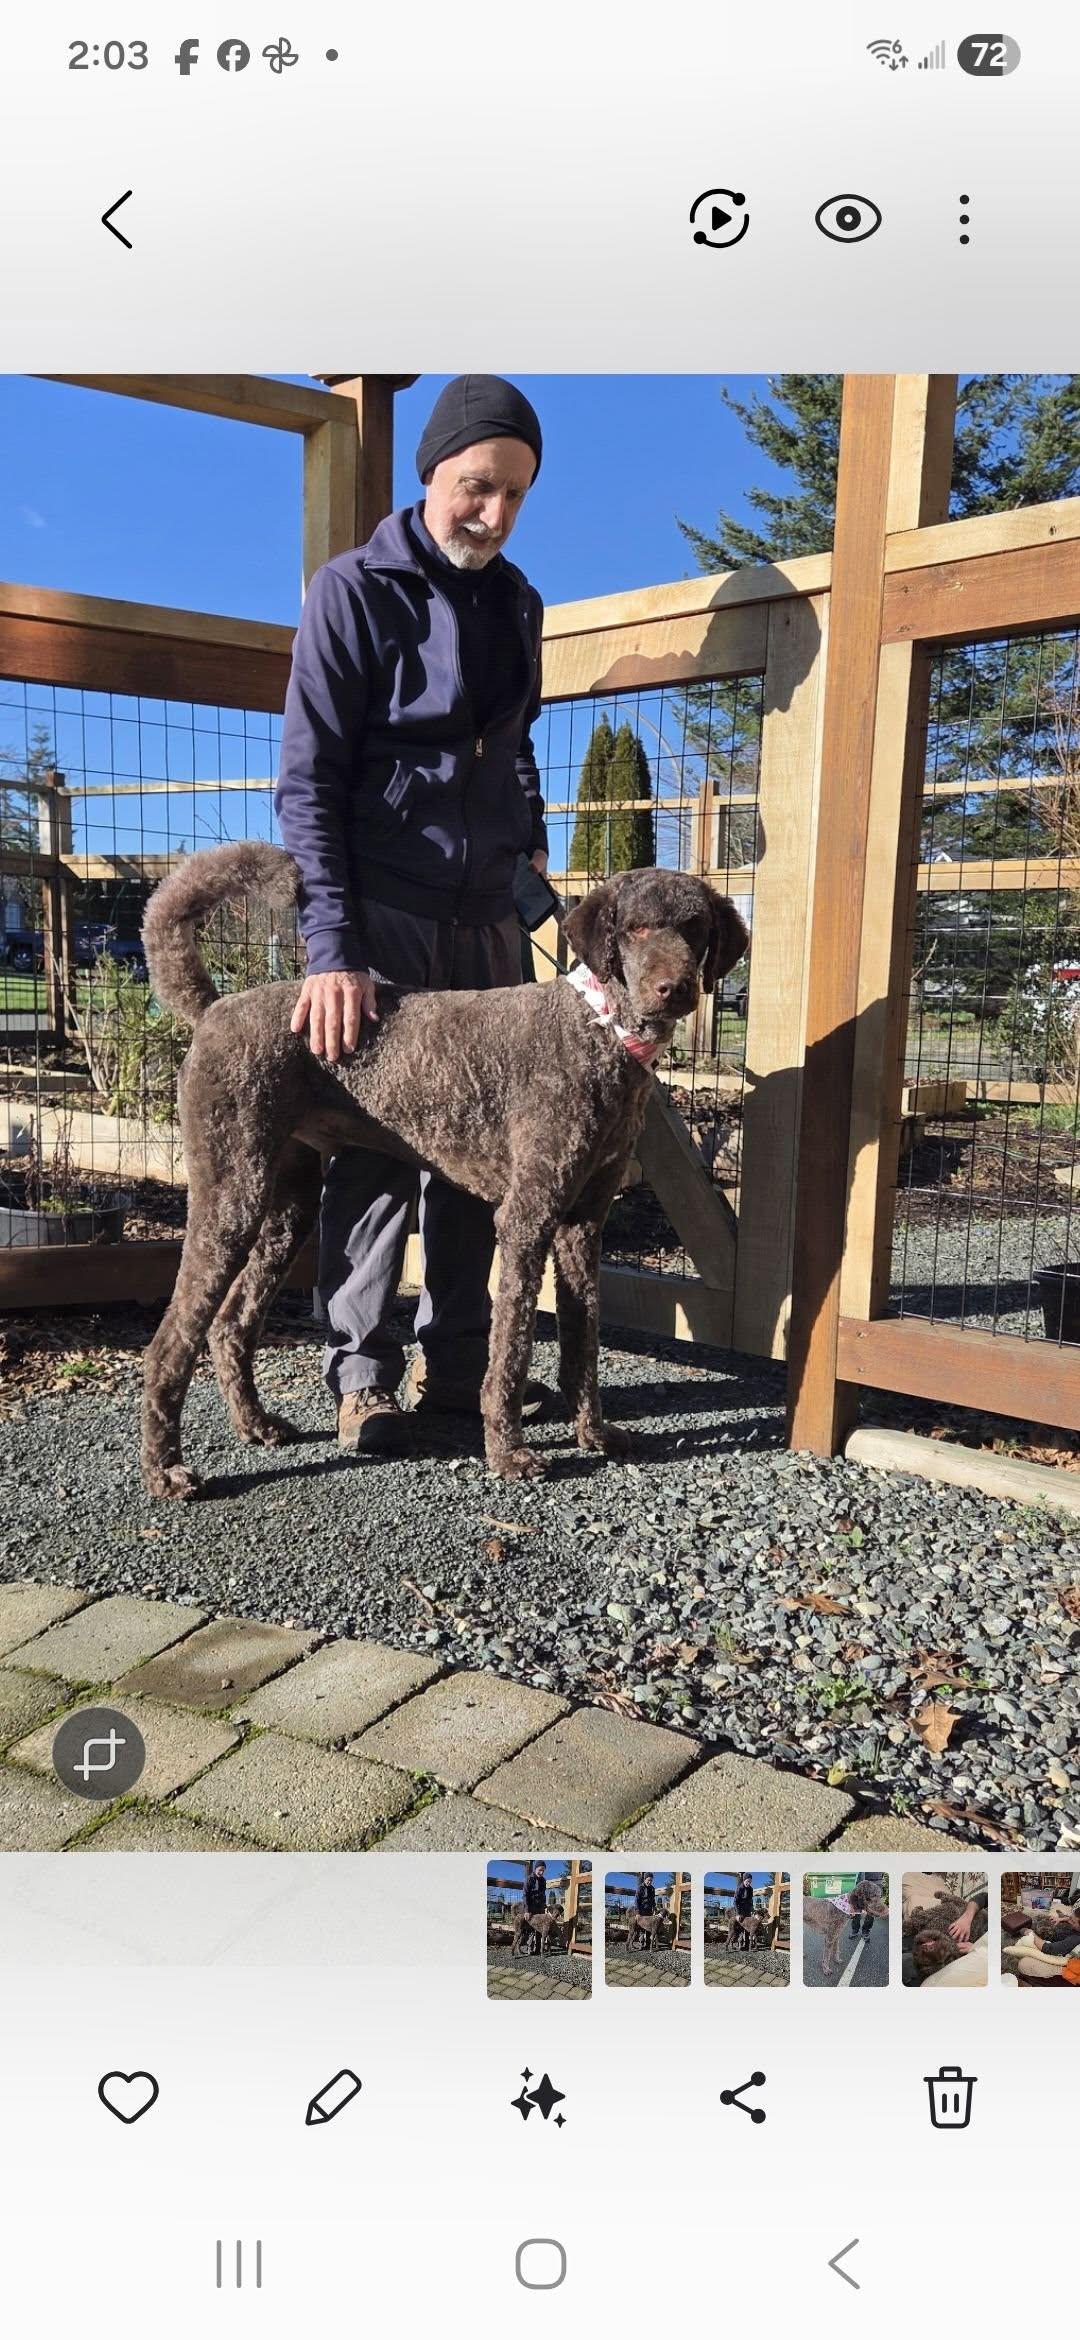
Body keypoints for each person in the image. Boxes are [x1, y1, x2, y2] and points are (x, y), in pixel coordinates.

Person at [275, 376, 551, 1452]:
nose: (493, 515)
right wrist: (331, 948)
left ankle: (466, 1375)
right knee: (379, 1144)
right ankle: (363, 1378)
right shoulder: (353, 591)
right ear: (429, 473)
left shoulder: (519, 601)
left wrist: (530, 844)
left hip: (486, 918)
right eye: (477, 488)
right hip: (382, 912)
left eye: (516, 495)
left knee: (488, 1149)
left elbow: (515, 744)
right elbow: (311, 780)